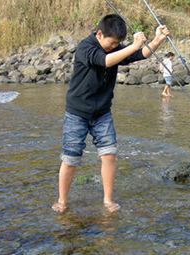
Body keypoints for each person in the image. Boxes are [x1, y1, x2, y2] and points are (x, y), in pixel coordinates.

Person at [52, 14, 170, 213]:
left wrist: (157, 39)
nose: (114, 46)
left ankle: (107, 200)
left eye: (118, 44)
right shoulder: (85, 47)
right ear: (99, 34)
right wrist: (132, 46)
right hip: (77, 113)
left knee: (109, 155)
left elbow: (139, 54)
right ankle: (62, 201)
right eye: (112, 42)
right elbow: (104, 61)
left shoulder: (114, 48)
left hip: (102, 113)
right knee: (71, 158)